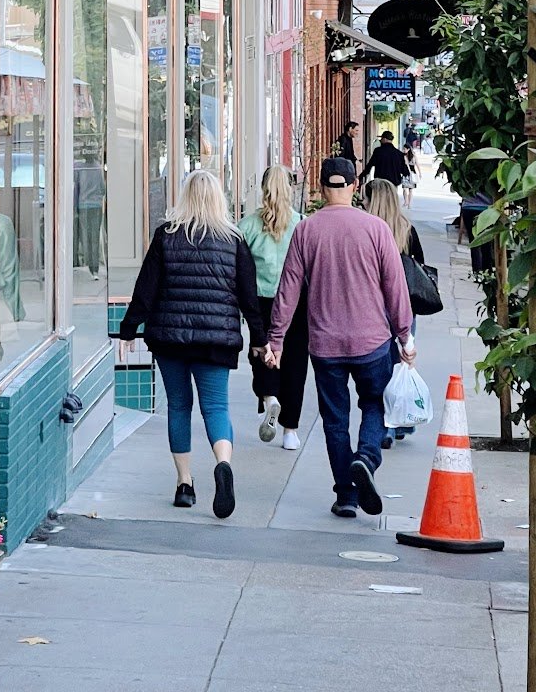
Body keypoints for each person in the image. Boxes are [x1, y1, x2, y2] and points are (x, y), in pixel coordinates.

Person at [266, 157, 413, 519]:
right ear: (353, 187)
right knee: (374, 405)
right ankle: (365, 457)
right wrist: (405, 335)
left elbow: (288, 291)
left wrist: (277, 341)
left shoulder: (306, 230)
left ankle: (346, 495)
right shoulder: (377, 229)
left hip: (326, 345)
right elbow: (395, 288)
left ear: (320, 188)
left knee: (334, 419)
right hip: (372, 342)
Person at [118, 169, 265, 519]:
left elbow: (145, 289)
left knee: (179, 407)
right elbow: (249, 296)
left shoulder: (166, 236)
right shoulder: (234, 240)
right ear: (218, 199)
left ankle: (184, 484)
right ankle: (223, 463)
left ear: (184, 197)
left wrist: (128, 329)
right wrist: (261, 339)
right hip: (216, 340)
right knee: (216, 408)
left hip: (170, 340)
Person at [240, 166, 307, 450]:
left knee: (262, 352)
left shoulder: (248, 225)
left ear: (263, 187)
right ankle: (290, 431)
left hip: (261, 301)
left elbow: (240, 269)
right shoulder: (302, 224)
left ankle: (270, 398)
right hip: (295, 302)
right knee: (294, 362)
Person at [363, 177, 425, 447]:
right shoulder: (406, 230)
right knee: (403, 364)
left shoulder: (365, 231)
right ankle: (401, 423)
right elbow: (420, 265)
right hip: (404, 307)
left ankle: (387, 427)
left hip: (374, 308)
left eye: (364, 199)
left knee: (381, 370)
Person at [401, 140, 420, 209]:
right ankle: (408, 203)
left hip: (407, 174)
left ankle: (406, 202)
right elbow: (417, 164)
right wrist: (419, 173)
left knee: (405, 188)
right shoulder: (414, 156)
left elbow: (407, 165)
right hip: (413, 173)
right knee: (410, 189)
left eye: (404, 149)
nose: (403, 150)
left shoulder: (404, 156)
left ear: (408, 149)